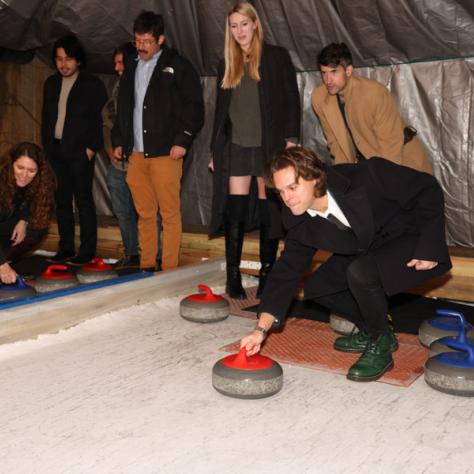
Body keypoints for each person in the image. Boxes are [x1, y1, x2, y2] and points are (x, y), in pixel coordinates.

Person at [241, 146, 451, 382]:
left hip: (408, 239)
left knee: (360, 272)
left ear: (315, 178)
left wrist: (429, 246)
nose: (286, 198)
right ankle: (376, 328)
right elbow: (287, 271)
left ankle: (380, 344)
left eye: (292, 187)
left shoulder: (368, 175)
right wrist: (260, 330)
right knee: (316, 288)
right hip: (366, 249)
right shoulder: (296, 219)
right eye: (280, 191)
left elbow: (427, 187)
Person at [209, 1, 300, 299]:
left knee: (268, 211)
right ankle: (232, 276)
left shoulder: (275, 57)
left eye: (244, 24)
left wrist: (291, 140)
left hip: (267, 147)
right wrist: (215, 151)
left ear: (255, 24)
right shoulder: (227, 61)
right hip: (236, 146)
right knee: (233, 210)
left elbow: (291, 100)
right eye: (234, 26)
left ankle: (266, 274)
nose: (239, 31)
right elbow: (221, 112)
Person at [112, 11, 204, 271]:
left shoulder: (178, 66)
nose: (141, 46)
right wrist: (119, 139)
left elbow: (195, 108)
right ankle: (146, 266)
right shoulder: (130, 66)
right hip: (137, 154)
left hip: (166, 152)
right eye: (137, 41)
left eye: (147, 41)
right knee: (144, 214)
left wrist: (183, 140)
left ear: (160, 39)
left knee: (169, 215)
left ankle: (170, 271)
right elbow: (124, 107)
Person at [311, 42, 432, 173]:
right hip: (368, 165)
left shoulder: (374, 93)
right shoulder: (320, 98)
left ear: (348, 71)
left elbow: (390, 144)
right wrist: (345, 176)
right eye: (324, 73)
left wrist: (383, 181)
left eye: (334, 72)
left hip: (403, 160)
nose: (328, 80)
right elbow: (335, 143)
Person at [42, 35, 108, 265]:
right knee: (61, 201)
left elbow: (101, 120)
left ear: (78, 60)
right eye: (59, 59)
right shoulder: (51, 83)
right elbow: (46, 118)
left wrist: (91, 149)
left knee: (83, 201)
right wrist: (47, 149)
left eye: (68, 59)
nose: (63, 64)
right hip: (56, 151)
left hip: (80, 152)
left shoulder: (92, 85)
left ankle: (87, 251)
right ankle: (66, 248)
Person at [103, 44, 163, 270]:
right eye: (115, 63)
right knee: (122, 210)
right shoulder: (119, 86)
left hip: (140, 157)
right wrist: (111, 147)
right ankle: (131, 254)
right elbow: (109, 121)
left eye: (122, 63)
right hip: (118, 160)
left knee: (146, 211)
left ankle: (152, 256)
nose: (117, 68)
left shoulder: (144, 84)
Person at [0, 142, 55, 284]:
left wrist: (24, 220)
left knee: (37, 228)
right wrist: (2, 265)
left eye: (31, 170)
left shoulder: (38, 183)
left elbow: (27, 200)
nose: (24, 175)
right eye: (20, 168)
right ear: (11, 164)